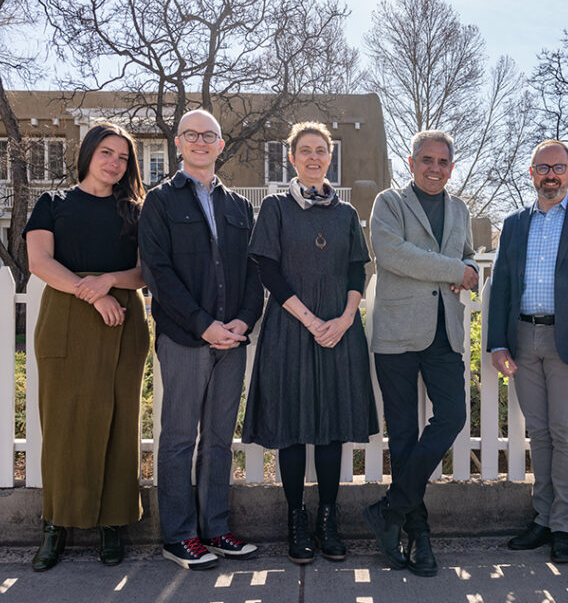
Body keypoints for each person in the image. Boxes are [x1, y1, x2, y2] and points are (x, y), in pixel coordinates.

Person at [242, 122, 377, 565]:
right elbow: (268, 271)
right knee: (295, 429)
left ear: (329, 158)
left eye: (321, 150)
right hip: (290, 329)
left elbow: (358, 270)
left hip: (339, 331)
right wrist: (311, 319)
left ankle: (327, 518)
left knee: (332, 429)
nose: (314, 157)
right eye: (306, 150)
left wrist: (343, 318)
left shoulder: (344, 214)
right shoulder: (276, 209)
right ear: (292, 158)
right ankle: (296, 518)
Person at [139, 109, 265, 570]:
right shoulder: (159, 203)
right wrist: (202, 324)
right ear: (177, 143)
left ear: (220, 144)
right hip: (185, 339)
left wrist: (243, 322)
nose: (199, 141)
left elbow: (256, 271)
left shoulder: (239, 206)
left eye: (208, 135)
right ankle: (178, 536)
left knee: (217, 439)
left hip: (233, 340)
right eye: (191, 135)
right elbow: (159, 274)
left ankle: (216, 529)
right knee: (178, 438)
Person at [25, 122, 150, 571]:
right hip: (67, 317)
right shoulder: (53, 204)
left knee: (120, 421)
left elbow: (143, 272)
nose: (114, 162)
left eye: (123, 157)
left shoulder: (136, 210)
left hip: (124, 322)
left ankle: (113, 524)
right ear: (88, 154)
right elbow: (39, 262)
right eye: (106, 153)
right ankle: (55, 525)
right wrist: (92, 294)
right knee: (62, 422)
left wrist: (110, 282)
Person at [486, 139, 568, 564]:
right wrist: (498, 342)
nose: (551, 175)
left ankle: (563, 525)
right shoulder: (514, 223)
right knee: (537, 433)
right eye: (543, 168)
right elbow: (501, 285)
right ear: (531, 172)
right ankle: (541, 519)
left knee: (564, 433)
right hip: (523, 338)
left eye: (558, 167)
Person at [363, 130, 480, 577]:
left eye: (443, 162)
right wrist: (457, 269)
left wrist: (470, 271)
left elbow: (468, 260)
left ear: (452, 166)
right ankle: (421, 537)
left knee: (451, 417)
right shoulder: (389, 204)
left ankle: (391, 509)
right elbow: (394, 255)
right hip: (396, 332)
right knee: (405, 434)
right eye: (426, 160)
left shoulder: (460, 209)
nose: (435, 168)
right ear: (411, 163)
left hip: (444, 333)